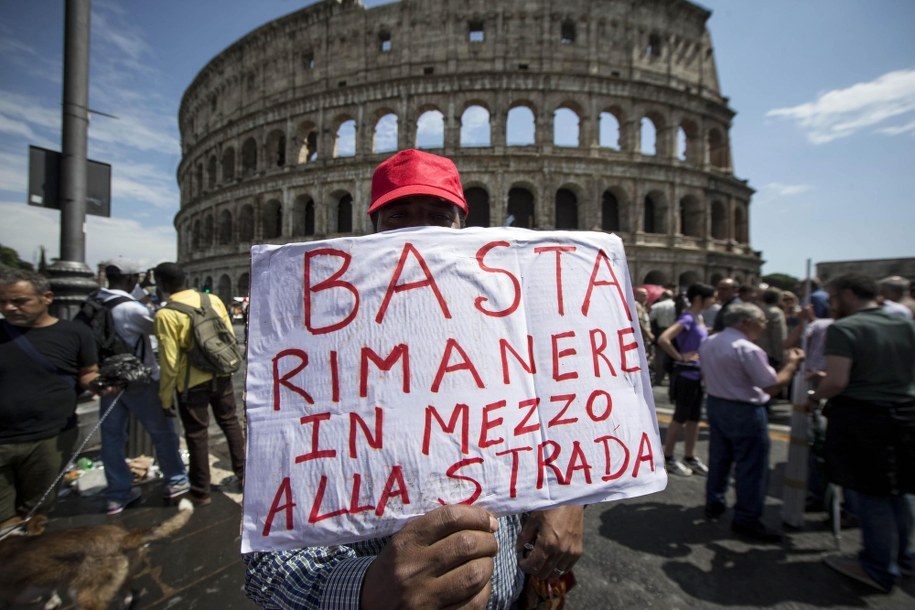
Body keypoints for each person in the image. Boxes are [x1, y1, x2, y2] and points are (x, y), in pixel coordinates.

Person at [244, 149, 585, 609]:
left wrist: (571, 497)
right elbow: (268, 569)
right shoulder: (320, 353)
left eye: (438, 218)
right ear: (374, 231)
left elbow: (564, 427)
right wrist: (363, 593)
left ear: (461, 229)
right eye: (398, 217)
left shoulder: (506, 328)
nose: (418, 234)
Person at [809, 273, 915, 593]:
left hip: (865, 416)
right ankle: (903, 556)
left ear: (849, 295)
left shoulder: (846, 328)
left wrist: (815, 393)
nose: (830, 305)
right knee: (899, 490)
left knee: (871, 494)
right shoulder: (906, 323)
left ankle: (877, 567)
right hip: (907, 410)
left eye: (833, 298)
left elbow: (837, 382)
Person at [0, 269, 101, 531]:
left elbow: (88, 373)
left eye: (20, 301)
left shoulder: (76, 333)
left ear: (47, 298)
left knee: (37, 512)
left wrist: (102, 385)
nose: (9, 308)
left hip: (50, 438)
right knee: (3, 519)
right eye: (2, 302)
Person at [699, 303, 803, 543]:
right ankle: (746, 518)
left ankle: (714, 502)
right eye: (761, 321)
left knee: (719, 456)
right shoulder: (747, 348)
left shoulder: (710, 341)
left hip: (717, 403)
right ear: (746, 322)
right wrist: (791, 365)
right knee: (751, 465)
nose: (764, 326)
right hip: (743, 408)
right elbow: (771, 385)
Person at [96, 257, 189, 515]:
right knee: (163, 432)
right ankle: (176, 480)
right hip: (140, 379)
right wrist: (153, 295)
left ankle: (117, 494)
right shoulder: (131, 309)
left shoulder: (95, 301)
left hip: (109, 380)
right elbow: (162, 326)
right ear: (131, 279)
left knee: (112, 438)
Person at [153, 262, 245, 506]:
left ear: (161, 284)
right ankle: (244, 475)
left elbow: (169, 362)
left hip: (191, 383)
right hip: (222, 375)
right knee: (231, 423)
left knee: (196, 434)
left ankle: (201, 490)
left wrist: (165, 398)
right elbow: (229, 338)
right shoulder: (212, 300)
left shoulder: (166, 314)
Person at [657, 283, 715, 476]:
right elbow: (664, 338)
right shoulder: (688, 317)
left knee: (694, 419)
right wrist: (681, 356)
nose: (713, 301)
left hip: (697, 375)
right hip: (686, 375)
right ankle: (668, 456)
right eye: (711, 297)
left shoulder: (698, 317)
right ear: (699, 298)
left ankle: (690, 456)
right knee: (680, 417)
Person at [649, 290, 675, 384]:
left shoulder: (657, 306)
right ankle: (669, 378)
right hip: (674, 330)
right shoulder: (675, 305)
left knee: (659, 356)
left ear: (663, 296)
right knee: (671, 354)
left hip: (661, 330)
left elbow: (651, 318)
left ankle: (659, 378)